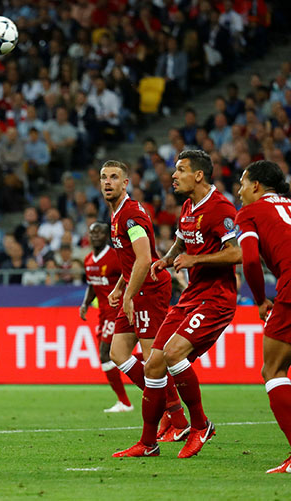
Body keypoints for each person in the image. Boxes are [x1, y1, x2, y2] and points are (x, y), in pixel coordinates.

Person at [115, 150, 240, 458]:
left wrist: (194, 259)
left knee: (172, 354)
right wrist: (168, 259)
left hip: (216, 296)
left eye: (180, 170)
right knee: (154, 363)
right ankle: (148, 443)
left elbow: (237, 253)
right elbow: (183, 239)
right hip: (192, 295)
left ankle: (199, 425)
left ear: (198, 175)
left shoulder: (220, 207)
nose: (173, 175)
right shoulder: (187, 206)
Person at [99, 160, 190, 444]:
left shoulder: (130, 216)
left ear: (125, 183)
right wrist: (119, 287)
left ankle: (178, 419)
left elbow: (144, 259)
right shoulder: (116, 215)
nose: (108, 182)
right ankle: (167, 409)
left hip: (148, 290)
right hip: (134, 289)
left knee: (154, 362)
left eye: (114, 177)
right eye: (104, 177)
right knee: (117, 353)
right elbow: (131, 262)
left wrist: (127, 294)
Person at [235, 160, 291, 473]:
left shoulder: (250, 212)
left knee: (273, 370)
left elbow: (251, 261)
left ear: (256, 185)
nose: (240, 190)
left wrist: (259, 301)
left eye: (243, 183)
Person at [79, 222, 133, 413]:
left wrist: (129, 299)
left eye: (99, 232)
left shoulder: (114, 257)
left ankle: (125, 402)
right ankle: (145, 364)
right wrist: (86, 303)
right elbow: (92, 285)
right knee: (114, 356)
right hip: (103, 314)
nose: (95, 235)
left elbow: (131, 275)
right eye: (92, 232)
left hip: (117, 311)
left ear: (106, 235)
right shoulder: (88, 260)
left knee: (105, 354)